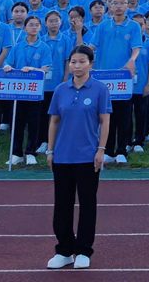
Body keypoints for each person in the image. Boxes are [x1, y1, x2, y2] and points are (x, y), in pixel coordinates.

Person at [45, 45, 110, 270]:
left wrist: (101, 149)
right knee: (62, 205)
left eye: (82, 61)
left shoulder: (100, 89)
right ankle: (64, 250)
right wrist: (50, 150)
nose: (77, 66)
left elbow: (105, 121)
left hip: (87, 157)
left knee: (87, 204)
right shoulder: (61, 89)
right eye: (73, 62)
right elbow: (54, 121)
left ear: (91, 64)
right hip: (62, 156)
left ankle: (83, 250)